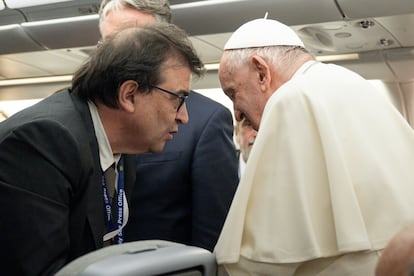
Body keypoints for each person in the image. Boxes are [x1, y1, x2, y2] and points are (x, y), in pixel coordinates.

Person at [214, 18, 414, 275]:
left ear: (261, 72)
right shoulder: (352, 80)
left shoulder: (290, 100)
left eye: (233, 93)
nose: (237, 114)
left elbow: (259, 260)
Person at [0, 24, 203, 275]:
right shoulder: (44, 142)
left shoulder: (123, 150)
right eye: (178, 99)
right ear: (129, 94)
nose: (184, 117)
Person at [99, 0, 239, 252]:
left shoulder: (203, 120)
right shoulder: (86, 118)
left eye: (133, 39)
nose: (118, 54)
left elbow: (213, 234)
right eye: (109, 42)